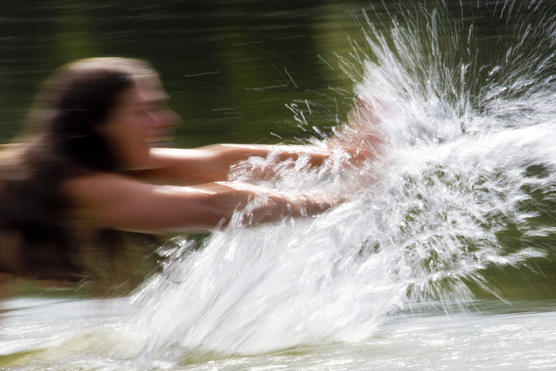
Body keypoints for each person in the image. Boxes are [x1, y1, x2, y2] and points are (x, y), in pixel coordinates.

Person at [0, 56, 382, 297]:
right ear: (98, 125)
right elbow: (213, 204)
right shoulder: (77, 185)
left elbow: (215, 162)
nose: (165, 120)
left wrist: (341, 156)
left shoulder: (76, 159)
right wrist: (347, 198)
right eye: (142, 111)